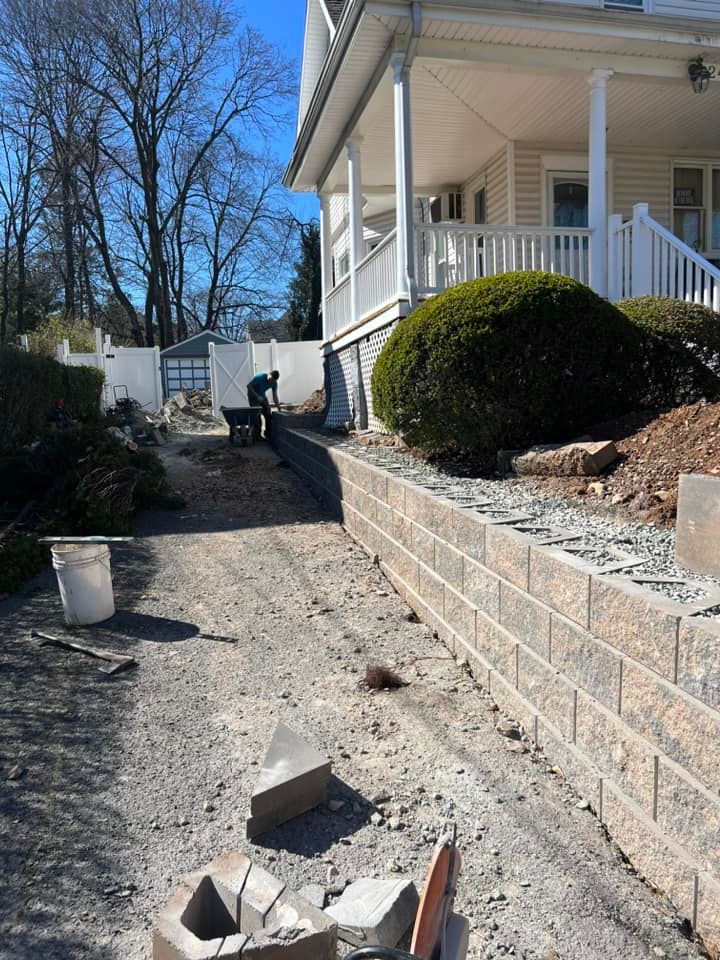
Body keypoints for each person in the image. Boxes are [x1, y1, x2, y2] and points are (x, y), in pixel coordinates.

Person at [247, 369, 281, 439]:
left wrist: (278, 407)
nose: (270, 381)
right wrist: (257, 396)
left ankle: (268, 434)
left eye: (272, 380)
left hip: (262, 396)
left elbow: (275, 396)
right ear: (269, 374)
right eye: (270, 379)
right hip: (253, 397)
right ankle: (257, 436)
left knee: (268, 414)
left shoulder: (274, 383)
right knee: (257, 416)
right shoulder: (260, 377)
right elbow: (249, 386)